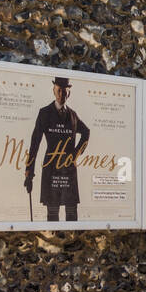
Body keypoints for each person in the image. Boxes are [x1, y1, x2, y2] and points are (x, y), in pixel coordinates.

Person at [24, 76, 91, 221]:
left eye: (65, 91)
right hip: (51, 169)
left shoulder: (73, 115)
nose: (62, 95)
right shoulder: (45, 113)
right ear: (54, 91)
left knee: (72, 213)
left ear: (69, 93)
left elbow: (86, 132)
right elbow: (35, 143)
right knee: (53, 214)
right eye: (59, 91)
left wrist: (75, 154)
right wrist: (29, 173)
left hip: (69, 170)